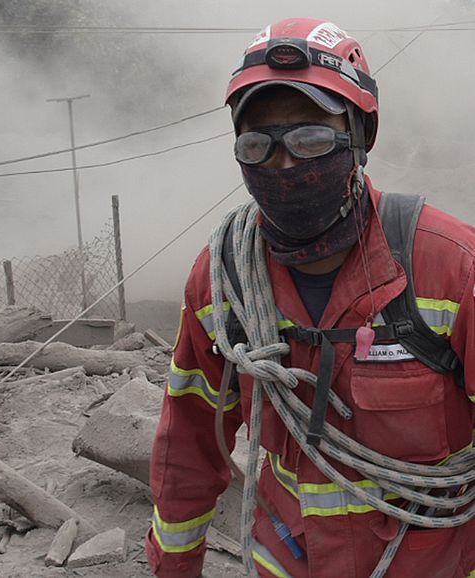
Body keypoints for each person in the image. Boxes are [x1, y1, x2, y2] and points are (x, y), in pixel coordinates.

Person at [146, 17, 475, 578]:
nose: (285, 162)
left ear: (361, 135)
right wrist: (173, 567)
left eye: (311, 138)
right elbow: (190, 442)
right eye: (258, 144)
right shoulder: (222, 280)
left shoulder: (449, 267)